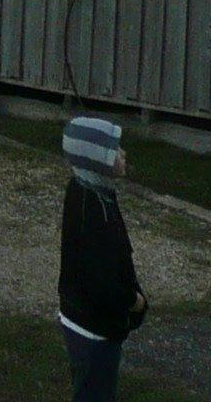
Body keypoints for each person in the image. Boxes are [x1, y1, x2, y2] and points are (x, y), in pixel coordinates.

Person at [58, 114, 147, 398]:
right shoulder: (96, 214)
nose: (123, 154)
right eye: (115, 150)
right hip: (93, 329)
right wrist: (134, 301)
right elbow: (104, 279)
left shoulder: (88, 190)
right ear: (98, 160)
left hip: (79, 316)